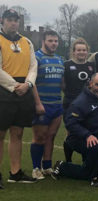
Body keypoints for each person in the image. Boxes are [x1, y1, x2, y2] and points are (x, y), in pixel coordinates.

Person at [0, 8, 38, 186]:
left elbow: (33, 66)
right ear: (3, 21)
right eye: (9, 20)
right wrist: (14, 86)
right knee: (0, 134)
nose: (13, 23)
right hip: (5, 90)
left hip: (24, 89)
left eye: (16, 20)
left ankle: (15, 173)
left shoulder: (27, 42)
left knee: (18, 132)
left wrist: (28, 84)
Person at [52, 73, 98, 187]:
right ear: (90, 84)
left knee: (89, 169)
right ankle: (94, 179)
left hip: (97, 139)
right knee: (95, 152)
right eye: (97, 85)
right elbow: (70, 122)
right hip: (79, 139)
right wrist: (87, 135)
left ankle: (63, 167)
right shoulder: (81, 102)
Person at [30, 30, 65, 180]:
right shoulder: (36, 58)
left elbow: (62, 83)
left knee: (51, 136)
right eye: (50, 40)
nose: (53, 43)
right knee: (39, 137)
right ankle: (36, 168)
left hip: (57, 104)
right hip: (42, 105)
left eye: (56, 41)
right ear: (43, 41)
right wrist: (37, 104)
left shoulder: (59, 59)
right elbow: (32, 83)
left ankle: (47, 166)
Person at [62, 38, 96, 162]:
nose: (81, 52)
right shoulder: (67, 65)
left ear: (87, 52)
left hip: (87, 104)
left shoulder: (91, 66)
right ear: (74, 52)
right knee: (71, 132)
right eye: (79, 50)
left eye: (84, 50)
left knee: (86, 131)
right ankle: (68, 161)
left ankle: (85, 160)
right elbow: (63, 85)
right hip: (70, 103)